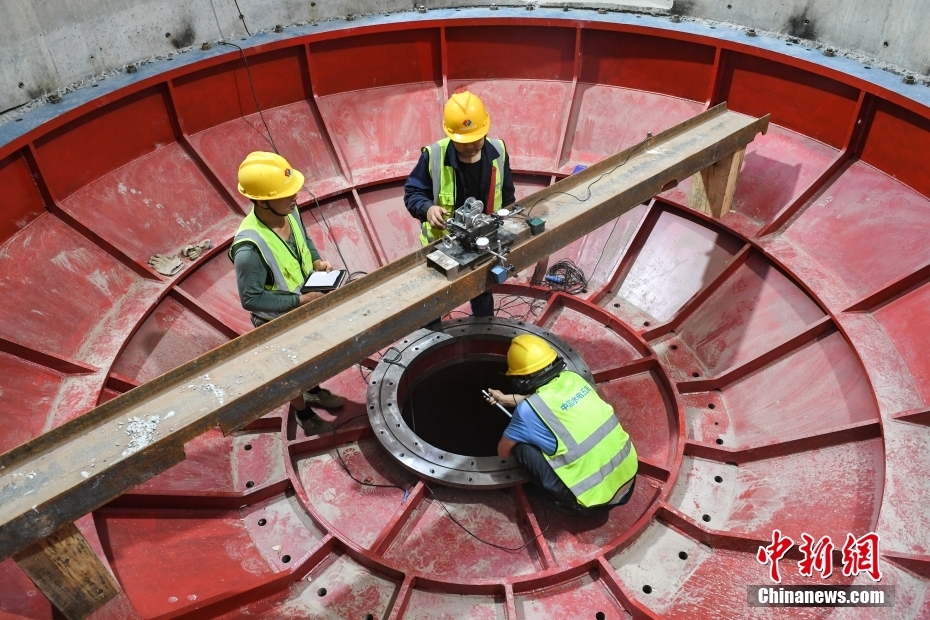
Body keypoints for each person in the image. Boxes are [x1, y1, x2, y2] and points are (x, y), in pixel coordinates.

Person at [228, 151, 344, 434]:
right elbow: (251, 299)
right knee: (290, 372)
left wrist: (316, 260)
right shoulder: (249, 249)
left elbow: (304, 239)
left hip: (304, 305)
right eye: (287, 193)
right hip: (275, 320)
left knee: (310, 359)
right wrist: (300, 300)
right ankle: (305, 416)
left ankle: (313, 391)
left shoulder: (289, 210)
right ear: (263, 201)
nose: (296, 196)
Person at [486, 335, 638, 514]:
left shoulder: (526, 412)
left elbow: (502, 452)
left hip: (595, 502)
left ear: (520, 382)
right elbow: (549, 400)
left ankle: (561, 502)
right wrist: (506, 399)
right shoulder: (574, 380)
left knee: (521, 449)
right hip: (630, 475)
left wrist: (526, 430)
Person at [404, 91, 516, 317]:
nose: (472, 145)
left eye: (477, 138)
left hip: (483, 241)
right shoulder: (433, 156)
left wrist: (507, 225)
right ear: (451, 134)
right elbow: (413, 192)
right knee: (434, 299)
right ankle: (432, 332)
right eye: (464, 142)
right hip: (442, 245)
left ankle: (484, 328)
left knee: (483, 291)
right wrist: (428, 208)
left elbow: (507, 196)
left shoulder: (498, 151)